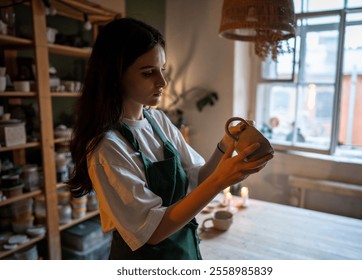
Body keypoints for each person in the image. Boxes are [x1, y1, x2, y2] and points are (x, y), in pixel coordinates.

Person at [67, 17, 273, 260]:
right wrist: (220, 181)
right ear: (115, 75)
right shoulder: (107, 148)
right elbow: (152, 231)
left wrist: (226, 145)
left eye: (162, 70)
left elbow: (198, 178)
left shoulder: (158, 121)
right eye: (148, 72)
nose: (162, 82)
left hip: (182, 250)